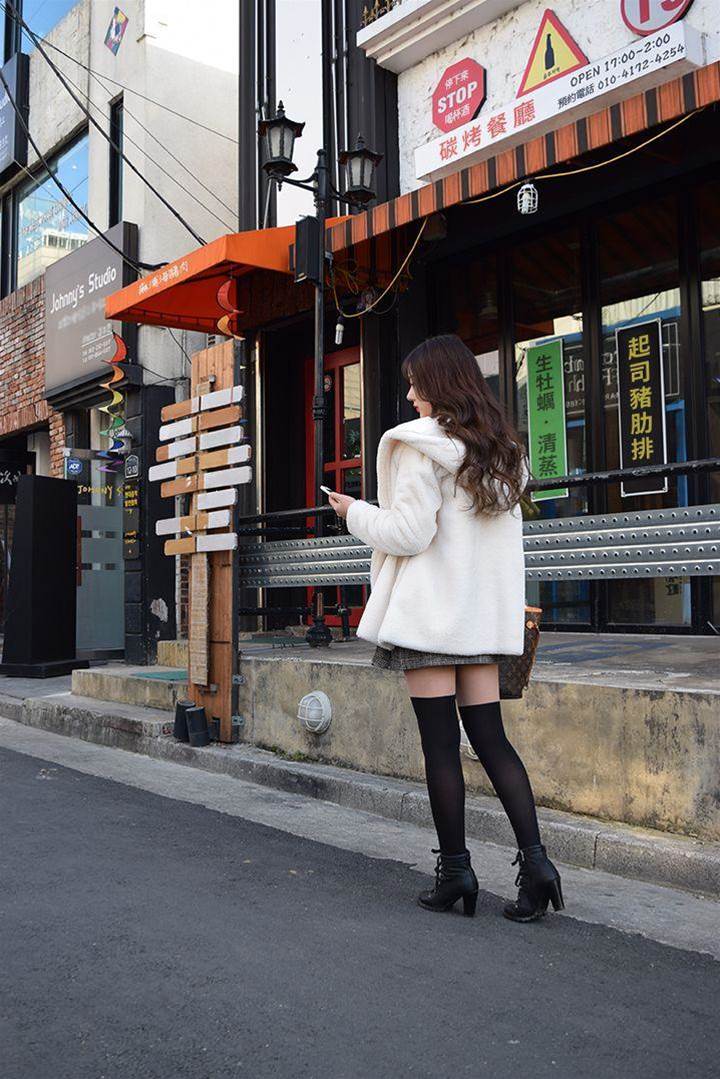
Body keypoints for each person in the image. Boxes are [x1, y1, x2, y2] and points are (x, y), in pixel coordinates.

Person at [327, 334, 563, 923]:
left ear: (438, 385)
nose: (410, 397)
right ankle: (538, 866)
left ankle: (456, 870)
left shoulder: (420, 447)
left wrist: (354, 512)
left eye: (415, 385)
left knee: (440, 747)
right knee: (492, 741)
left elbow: (409, 534)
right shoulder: (501, 453)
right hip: (479, 624)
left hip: (432, 621)